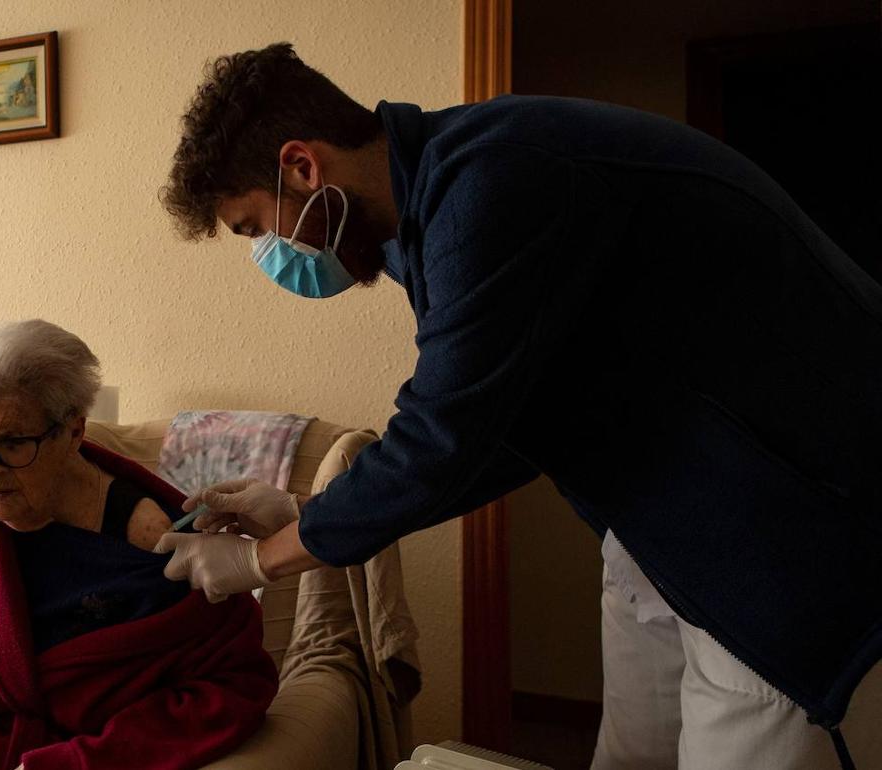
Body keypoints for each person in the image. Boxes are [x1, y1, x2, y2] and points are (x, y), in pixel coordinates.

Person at [153, 43, 882, 769]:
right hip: (660, 522)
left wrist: (259, 562)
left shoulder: (492, 178)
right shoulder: (418, 221)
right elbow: (498, 427)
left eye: (256, 226)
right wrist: (306, 513)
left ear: (302, 168)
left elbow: (443, 437)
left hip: (783, 531)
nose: (271, 254)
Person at [0, 320, 276, 770]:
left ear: (74, 432)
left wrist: (76, 763)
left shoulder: (156, 542)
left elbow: (232, 686)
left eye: (14, 443)